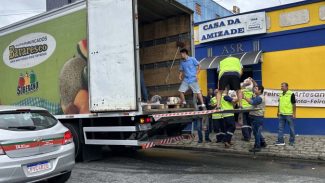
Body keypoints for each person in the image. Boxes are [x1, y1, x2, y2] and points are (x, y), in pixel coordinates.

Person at [243, 84, 267, 152]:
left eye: (256, 88)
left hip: (257, 117)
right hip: (255, 116)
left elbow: (252, 103)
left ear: (260, 90)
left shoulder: (260, 98)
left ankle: (257, 146)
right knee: (257, 131)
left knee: (256, 132)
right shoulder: (257, 96)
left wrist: (244, 97)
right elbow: (252, 102)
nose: (254, 89)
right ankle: (263, 143)